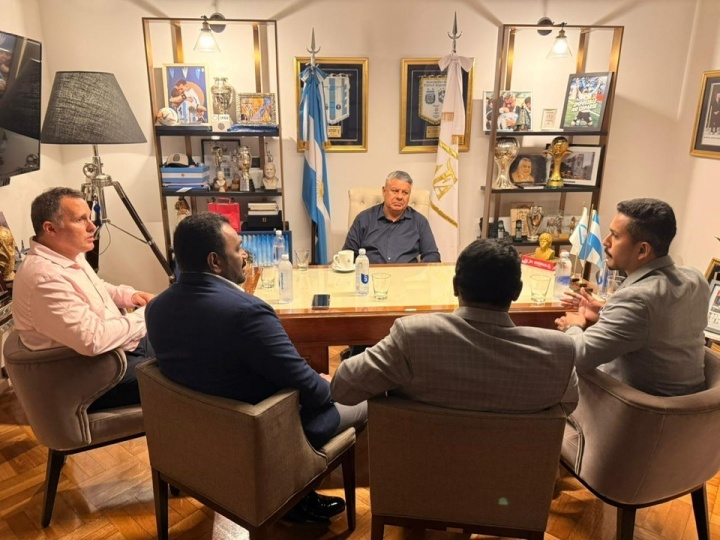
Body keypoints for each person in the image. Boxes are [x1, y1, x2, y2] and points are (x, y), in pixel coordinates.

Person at [145, 212, 367, 524]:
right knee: (368, 400)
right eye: (238, 249)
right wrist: (330, 384)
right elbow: (312, 391)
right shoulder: (247, 312)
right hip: (264, 437)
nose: (244, 256)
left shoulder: (156, 308)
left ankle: (295, 496)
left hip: (197, 439)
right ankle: (296, 492)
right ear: (215, 261)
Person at [331, 239, 577, 412]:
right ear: (517, 291)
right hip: (517, 471)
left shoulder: (414, 337)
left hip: (420, 468)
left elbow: (343, 388)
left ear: (455, 286)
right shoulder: (559, 352)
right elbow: (567, 406)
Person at [11, 187, 155, 410]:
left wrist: (130, 296)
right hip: (94, 377)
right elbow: (93, 340)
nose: (92, 226)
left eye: (89, 217)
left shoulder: (67, 254)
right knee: (188, 370)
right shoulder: (44, 279)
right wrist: (146, 315)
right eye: (80, 220)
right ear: (50, 228)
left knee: (189, 339)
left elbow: (96, 287)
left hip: (118, 351)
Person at [555, 198, 710, 396]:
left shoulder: (636, 299)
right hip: (691, 406)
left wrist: (574, 325)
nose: (606, 242)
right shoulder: (695, 278)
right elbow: (656, 327)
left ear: (642, 250)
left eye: (615, 236)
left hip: (636, 408)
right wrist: (605, 313)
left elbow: (576, 357)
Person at [342, 170, 440, 264]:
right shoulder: (364, 219)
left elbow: (432, 255)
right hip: (370, 274)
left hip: (408, 275)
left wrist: (420, 272)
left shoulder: (419, 221)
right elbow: (348, 254)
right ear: (384, 191)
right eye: (395, 191)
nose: (400, 197)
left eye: (405, 193)